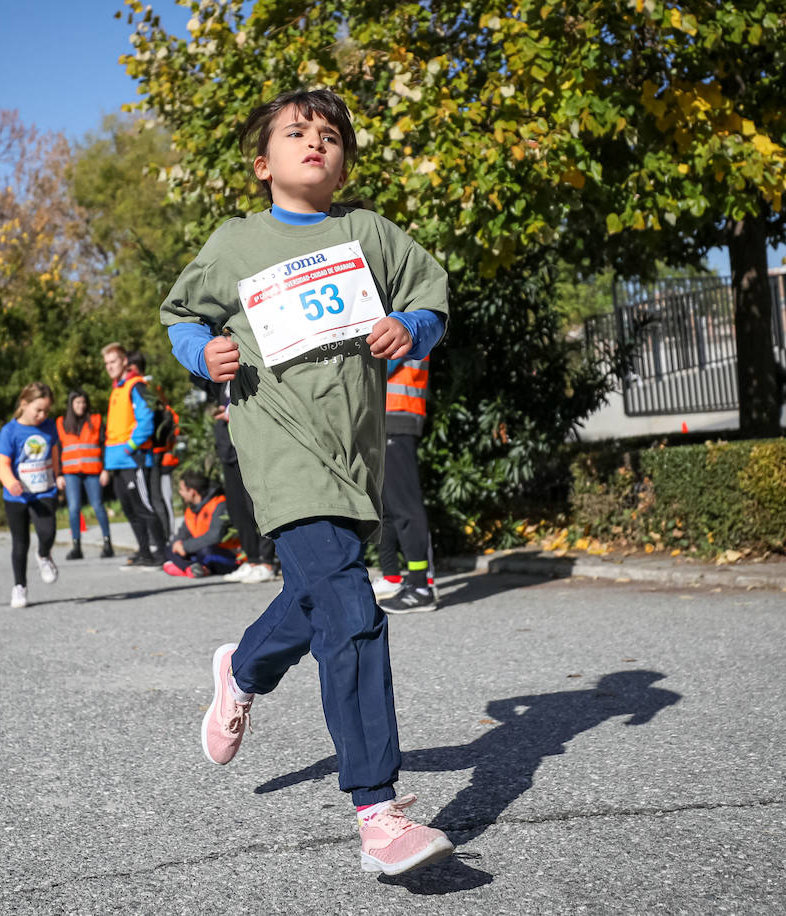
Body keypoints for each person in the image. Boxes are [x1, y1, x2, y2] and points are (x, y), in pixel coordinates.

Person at [161, 88, 453, 876]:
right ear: (265, 163)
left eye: (330, 135)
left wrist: (411, 329)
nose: (315, 143)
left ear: (344, 158)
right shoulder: (235, 242)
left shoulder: (368, 235)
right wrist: (201, 354)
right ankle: (379, 813)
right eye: (297, 133)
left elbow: (431, 294)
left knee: (321, 596)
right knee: (354, 617)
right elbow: (183, 315)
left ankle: (243, 668)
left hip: (352, 458)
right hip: (279, 452)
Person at [373, 355, 437, 612]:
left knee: (405, 507)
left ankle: (421, 587)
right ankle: (394, 578)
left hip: (398, 414)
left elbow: (379, 364)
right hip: (384, 416)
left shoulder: (405, 316)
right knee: (386, 506)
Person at [0, 382, 61, 609]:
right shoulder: (9, 431)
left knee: (48, 531)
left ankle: (43, 555)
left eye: (46, 411)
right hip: (17, 496)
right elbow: (2, 463)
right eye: (38, 410)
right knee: (20, 543)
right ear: (24, 404)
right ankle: (19, 587)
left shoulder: (50, 427)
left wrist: (59, 475)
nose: (42, 415)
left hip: (44, 491)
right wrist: (11, 483)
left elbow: (54, 453)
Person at [99, 343, 168, 568]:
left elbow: (146, 420)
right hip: (116, 461)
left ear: (124, 362)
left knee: (144, 507)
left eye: (113, 362)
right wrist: (108, 464)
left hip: (133, 459)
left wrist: (131, 446)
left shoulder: (137, 386)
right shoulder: (117, 389)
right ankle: (144, 551)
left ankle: (161, 552)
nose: (109, 367)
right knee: (129, 510)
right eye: (107, 363)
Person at [207, 385, 278, 583]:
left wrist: (231, 412)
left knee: (257, 507)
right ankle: (252, 559)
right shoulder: (222, 381)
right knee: (238, 510)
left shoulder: (249, 369)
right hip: (230, 452)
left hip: (252, 449)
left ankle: (267, 561)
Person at [126, 350, 179, 539]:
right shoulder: (147, 387)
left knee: (157, 497)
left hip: (156, 450)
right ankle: (162, 537)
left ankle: (166, 537)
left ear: (132, 368)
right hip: (152, 450)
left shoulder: (144, 388)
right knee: (152, 497)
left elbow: (161, 419)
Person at [55, 389, 113, 560]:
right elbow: (57, 450)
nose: (81, 406)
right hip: (71, 473)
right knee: (73, 508)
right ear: (71, 404)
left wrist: (106, 470)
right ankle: (76, 547)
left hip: (93, 471)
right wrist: (58, 474)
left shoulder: (95, 421)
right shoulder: (61, 423)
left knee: (97, 506)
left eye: (83, 402)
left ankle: (107, 544)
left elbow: (104, 446)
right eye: (77, 402)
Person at [162, 469, 240, 579]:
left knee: (206, 552)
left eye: (182, 489)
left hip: (227, 554)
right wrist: (177, 545)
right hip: (199, 551)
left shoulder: (219, 504)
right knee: (169, 549)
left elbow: (215, 536)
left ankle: (185, 567)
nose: (180, 493)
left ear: (192, 492)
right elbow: (181, 536)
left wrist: (185, 546)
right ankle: (192, 568)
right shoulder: (191, 510)